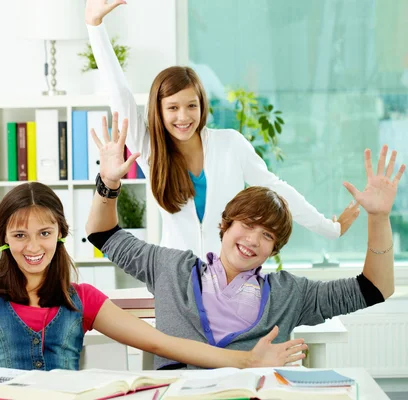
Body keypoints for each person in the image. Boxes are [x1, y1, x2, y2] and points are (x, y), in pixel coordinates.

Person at [0, 118, 307, 371]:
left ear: (60, 233)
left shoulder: (83, 300)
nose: (32, 246)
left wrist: (247, 360)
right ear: (3, 241)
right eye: (19, 235)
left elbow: (167, 344)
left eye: (44, 232)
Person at [86, 114, 405, 370]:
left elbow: (376, 288)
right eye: (248, 225)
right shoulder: (171, 269)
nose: (253, 239)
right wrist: (110, 181)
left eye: (267, 235)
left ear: (274, 249)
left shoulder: (289, 294)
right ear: (225, 225)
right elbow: (103, 235)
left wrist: (377, 218)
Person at [84, 0, 360, 258]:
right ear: (159, 110)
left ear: (202, 106)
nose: (183, 117)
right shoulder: (150, 149)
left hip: (228, 279)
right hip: (175, 281)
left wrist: (329, 229)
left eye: (192, 106)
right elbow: (119, 93)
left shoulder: (230, 144)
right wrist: (94, 25)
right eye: (173, 108)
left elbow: (276, 189)